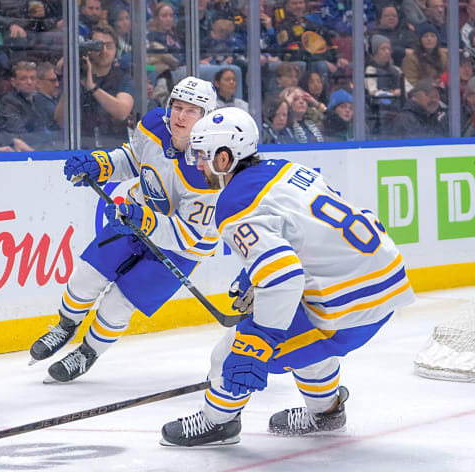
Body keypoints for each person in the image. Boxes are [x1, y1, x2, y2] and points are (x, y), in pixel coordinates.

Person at [159, 107, 415, 447]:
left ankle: (218, 422)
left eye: (203, 156)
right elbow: (304, 231)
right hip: (381, 280)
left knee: (232, 351)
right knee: (303, 334)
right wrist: (253, 276)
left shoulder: (235, 202)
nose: (197, 165)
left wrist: (258, 342)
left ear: (224, 158)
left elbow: (283, 278)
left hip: (348, 305)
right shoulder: (283, 168)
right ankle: (326, 413)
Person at [28, 77, 219, 383]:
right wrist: (99, 165)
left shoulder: (209, 168)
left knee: (119, 303)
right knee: (85, 277)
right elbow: (132, 158)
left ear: (206, 117)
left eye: (192, 111)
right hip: (134, 219)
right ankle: (64, 327)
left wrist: (146, 220)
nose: (181, 116)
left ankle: (87, 353)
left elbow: (188, 234)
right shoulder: (155, 124)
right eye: (177, 107)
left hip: (181, 247)